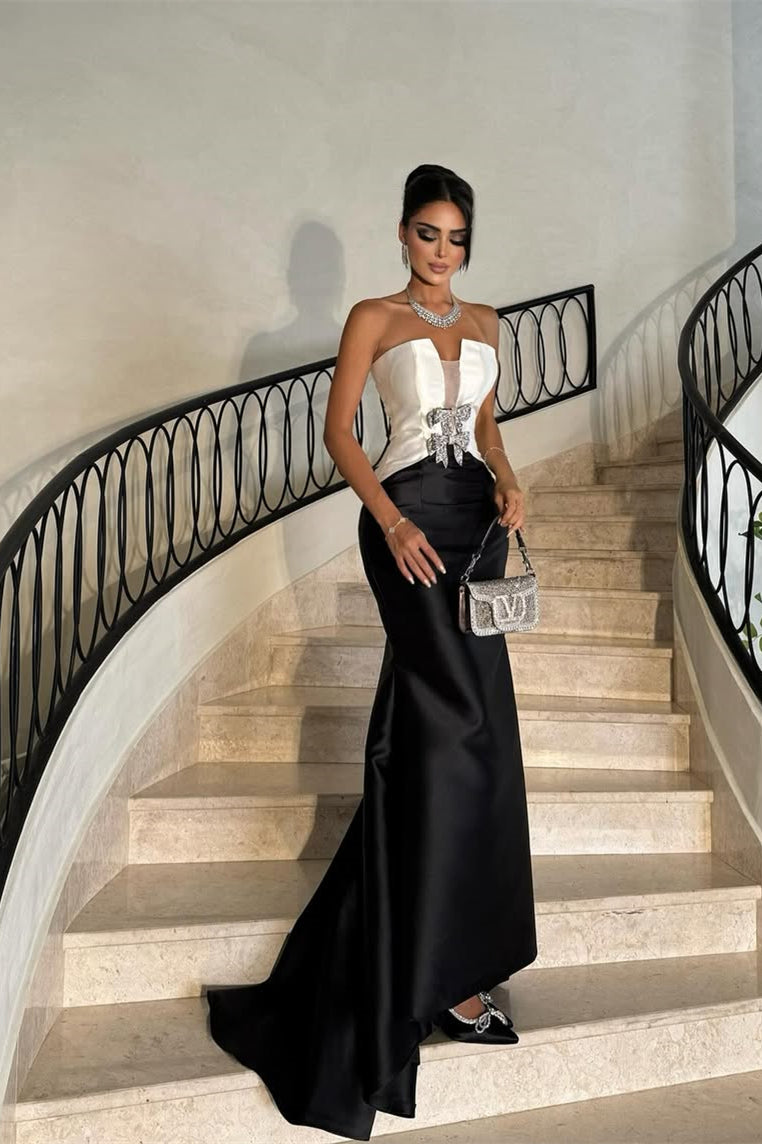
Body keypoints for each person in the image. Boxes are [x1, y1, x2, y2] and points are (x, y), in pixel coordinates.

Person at [205, 163, 538, 1141]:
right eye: (428, 233)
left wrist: (511, 482)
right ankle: (435, 977)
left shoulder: (488, 323)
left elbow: (487, 428)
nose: (442, 253)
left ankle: (444, 963)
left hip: (476, 524)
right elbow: (339, 433)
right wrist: (390, 521)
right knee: (449, 730)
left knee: (474, 735)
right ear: (401, 234)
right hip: (408, 522)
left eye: (457, 237)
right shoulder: (372, 319)